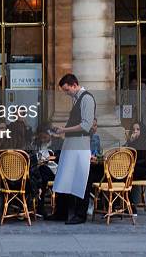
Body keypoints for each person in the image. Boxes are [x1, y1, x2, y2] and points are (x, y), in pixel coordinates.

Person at [47, 73, 94, 224]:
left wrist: (64, 130)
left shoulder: (86, 98)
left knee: (80, 179)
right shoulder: (77, 99)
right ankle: (61, 212)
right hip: (72, 144)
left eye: (67, 90)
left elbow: (86, 125)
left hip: (80, 145)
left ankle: (80, 215)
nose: (67, 94)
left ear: (74, 85)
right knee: (64, 177)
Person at [125, 121, 146, 215]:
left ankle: (131, 206)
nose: (135, 132)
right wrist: (130, 142)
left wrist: (133, 165)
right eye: (133, 130)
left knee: (128, 175)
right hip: (136, 169)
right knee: (124, 175)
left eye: (138, 129)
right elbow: (127, 154)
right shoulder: (132, 142)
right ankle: (126, 204)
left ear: (142, 131)